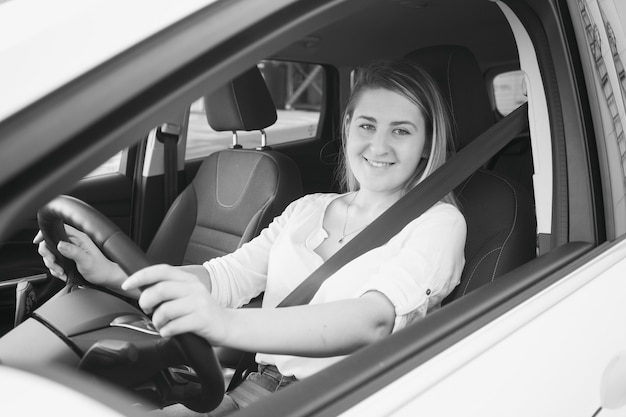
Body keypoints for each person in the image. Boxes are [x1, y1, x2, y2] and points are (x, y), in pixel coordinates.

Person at [34, 59, 467, 416]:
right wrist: (112, 274)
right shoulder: (307, 209)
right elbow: (226, 277)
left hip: (352, 398)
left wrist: (223, 324)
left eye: (402, 130)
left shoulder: (438, 222)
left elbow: (373, 321)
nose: (379, 146)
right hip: (260, 386)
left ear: (427, 144)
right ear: (348, 126)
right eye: (368, 126)